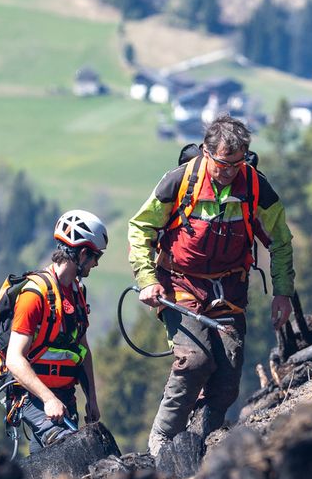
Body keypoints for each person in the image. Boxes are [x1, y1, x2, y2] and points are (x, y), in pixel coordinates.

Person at [127, 114, 296, 456]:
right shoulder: (180, 182)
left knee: (228, 375)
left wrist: (282, 293)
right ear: (206, 152)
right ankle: (162, 440)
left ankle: (204, 441)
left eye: (236, 164)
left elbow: (280, 241)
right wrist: (146, 279)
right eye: (222, 164)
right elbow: (140, 228)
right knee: (195, 361)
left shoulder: (256, 188)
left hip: (230, 290)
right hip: (180, 285)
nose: (229, 171)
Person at [3, 210, 107, 449]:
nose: (97, 263)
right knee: (64, 448)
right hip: (33, 397)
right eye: (95, 256)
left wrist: (91, 398)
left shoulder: (77, 293)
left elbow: (83, 350)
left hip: (65, 397)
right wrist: (48, 399)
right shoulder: (34, 295)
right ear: (82, 253)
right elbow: (14, 359)